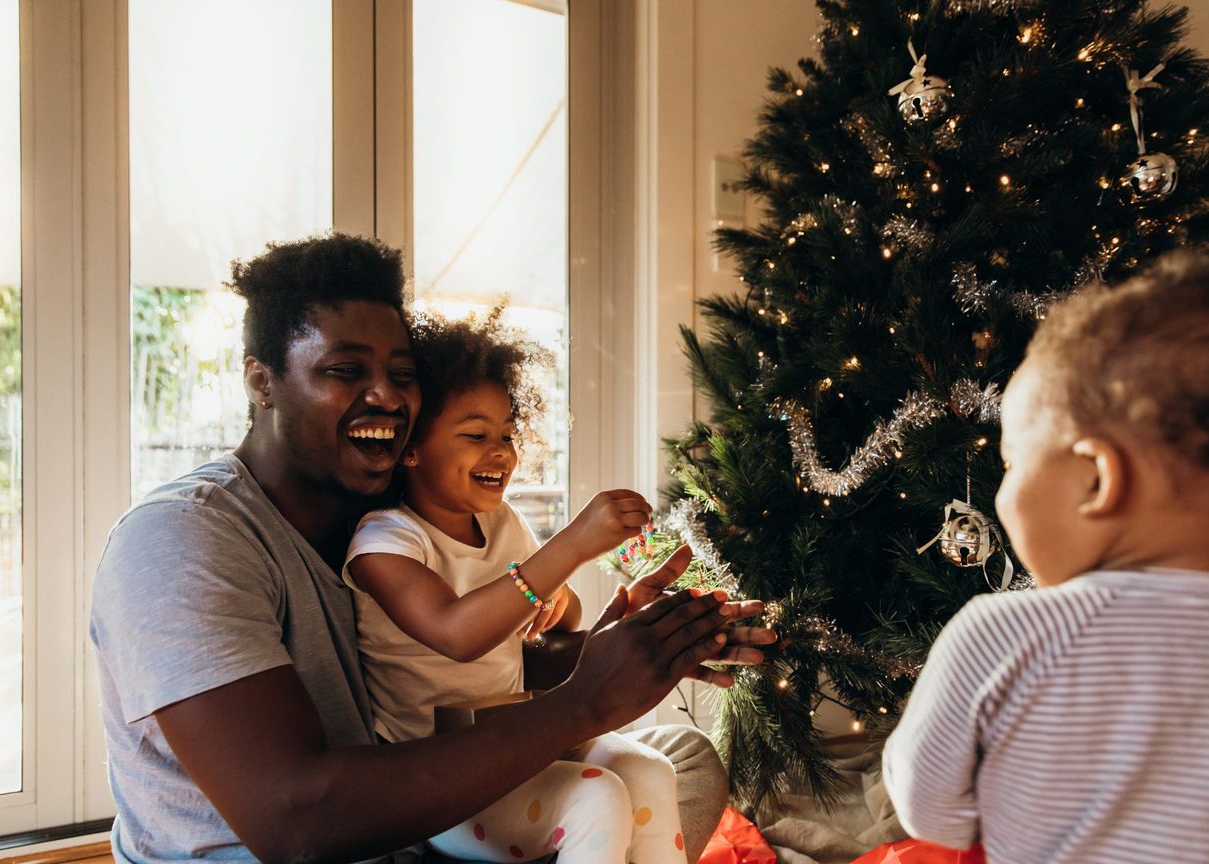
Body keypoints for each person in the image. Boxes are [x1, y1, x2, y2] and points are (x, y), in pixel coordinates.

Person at [90, 233, 775, 864]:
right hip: (330, 842)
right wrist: (585, 702)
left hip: (418, 822)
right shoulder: (183, 539)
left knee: (679, 756)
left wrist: (618, 643)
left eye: (402, 372)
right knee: (602, 797)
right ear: (262, 381)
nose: (386, 395)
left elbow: (468, 684)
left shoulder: (385, 506)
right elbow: (293, 822)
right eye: (346, 369)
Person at [881, 251, 1209, 863]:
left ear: (1094, 481)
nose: (1002, 492)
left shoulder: (1001, 632)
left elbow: (930, 811)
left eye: (1011, 464)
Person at [344, 310, 688, 863]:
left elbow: (558, 616)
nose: (501, 450)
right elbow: (457, 635)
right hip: (437, 781)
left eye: (507, 433)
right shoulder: (386, 542)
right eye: (476, 435)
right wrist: (570, 547)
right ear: (412, 448)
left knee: (650, 769)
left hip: (519, 735)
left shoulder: (504, 523)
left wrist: (573, 602)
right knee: (597, 797)